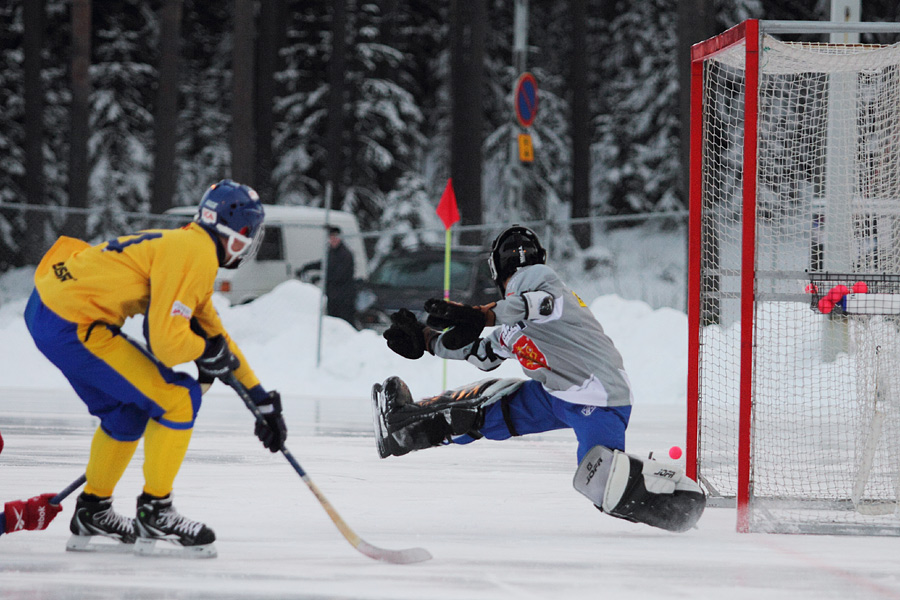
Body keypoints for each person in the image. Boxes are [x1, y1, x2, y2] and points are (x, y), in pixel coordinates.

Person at [373, 225, 705, 533]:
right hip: (556, 397)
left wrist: (484, 314)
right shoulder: (514, 323)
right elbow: (484, 354)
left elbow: (538, 304)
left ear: (497, 271)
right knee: (480, 409)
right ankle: (404, 430)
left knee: (601, 482)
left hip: (599, 399)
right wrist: (428, 339)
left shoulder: (538, 280)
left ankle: (678, 497)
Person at [24, 180, 288, 557]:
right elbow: (165, 344)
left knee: (127, 413)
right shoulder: (195, 254)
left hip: (48, 309)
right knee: (179, 398)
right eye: (250, 235)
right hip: (72, 323)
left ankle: (93, 511)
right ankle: (156, 512)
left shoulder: (188, 244)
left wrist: (259, 399)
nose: (248, 244)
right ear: (236, 231)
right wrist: (203, 350)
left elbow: (217, 336)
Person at [299, 226, 357, 326]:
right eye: (331, 237)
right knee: (332, 321)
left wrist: (320, 277)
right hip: (332, 295)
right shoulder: (330, 252)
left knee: (344, 323)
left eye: (335, 237)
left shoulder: (346, 254)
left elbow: (340, 275)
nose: (333, 240)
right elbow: (324, 264)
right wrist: (307, 267)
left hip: (344, 297)